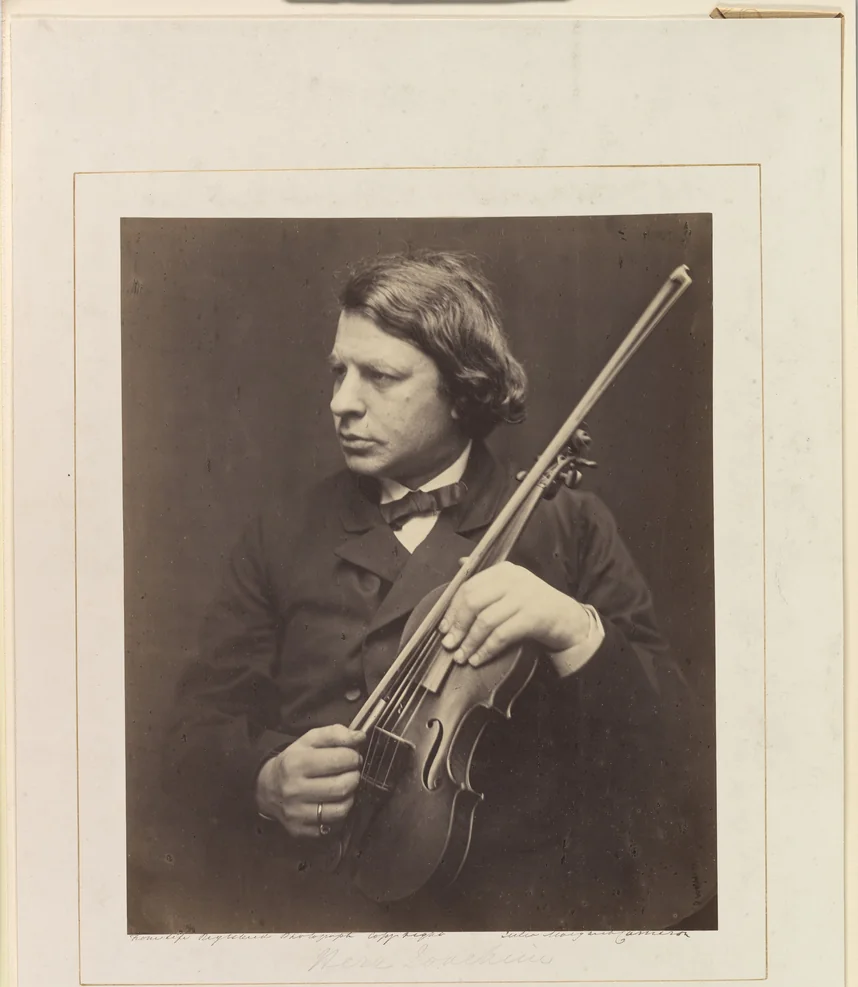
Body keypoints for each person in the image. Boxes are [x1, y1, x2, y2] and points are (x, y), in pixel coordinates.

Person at [163, 249, 716, 933]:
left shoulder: (567, 525)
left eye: (380, 377)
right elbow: (191, 733)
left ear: (461, 389)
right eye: (339, 371)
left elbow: (671, 747)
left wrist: (576, 630)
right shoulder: (281, 534)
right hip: (317, 911)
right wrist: (263, 780)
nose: (342, 402)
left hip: (511, 918)